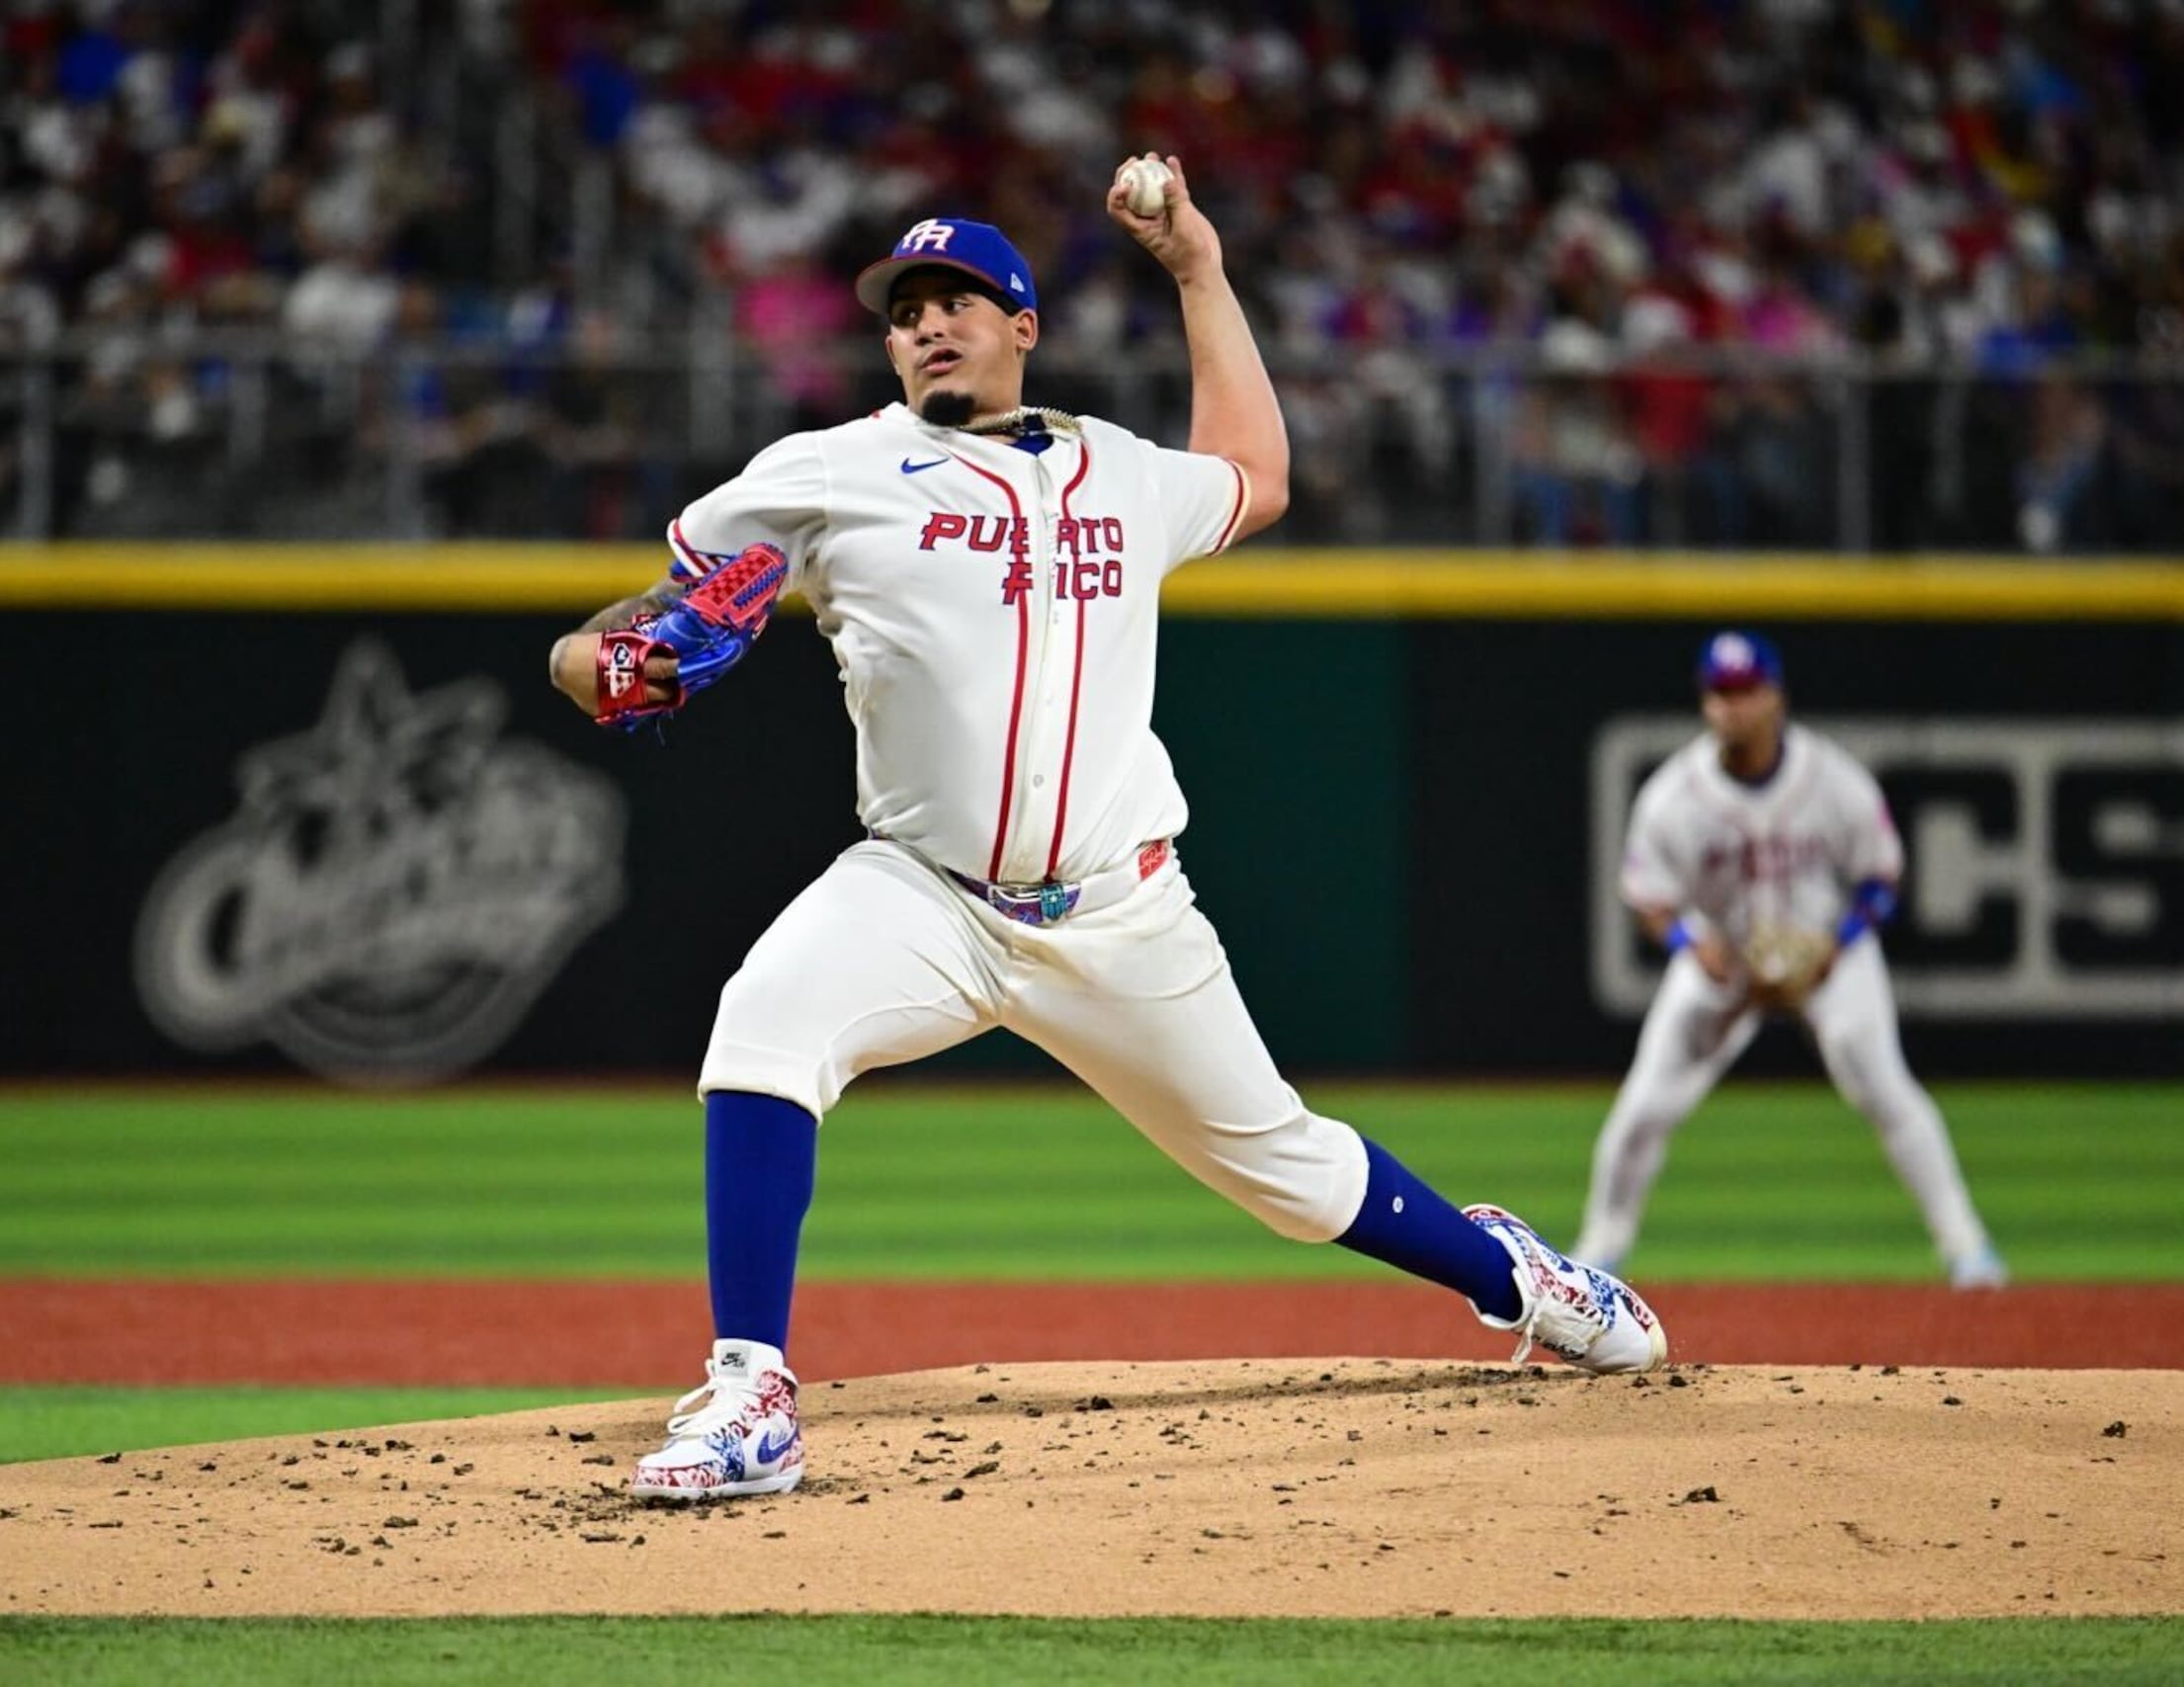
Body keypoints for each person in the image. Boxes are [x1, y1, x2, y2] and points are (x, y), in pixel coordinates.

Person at [546, 156, 1668, 1503]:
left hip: (1124, 909)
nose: (927, 322)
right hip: (930, 893)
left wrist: (1196, 263)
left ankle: (1520, 1278)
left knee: (1292, 1174)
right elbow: (613, 631)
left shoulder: (1120, 472)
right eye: (906, 309)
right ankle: (751, 1394)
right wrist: (605, 664)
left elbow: (1256, 470)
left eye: (959, 297)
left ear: (1023, 325)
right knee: (761, 1025)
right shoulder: (825, 473)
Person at [1572, 632, 2008, 1290]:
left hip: (1826, 956)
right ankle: (1598, 1254)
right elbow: (1648, 896)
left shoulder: (1833, 779)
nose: (1732, 707)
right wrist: (1689, 944)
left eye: (1746, 690)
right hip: (1726, 959)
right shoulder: (1673, 795)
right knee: (1641, 1110)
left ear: (1775, 695)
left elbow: (1882, 876)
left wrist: (1845, 937)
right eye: (1720, 693)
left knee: (1887, 1089)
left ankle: (1967, 1247)